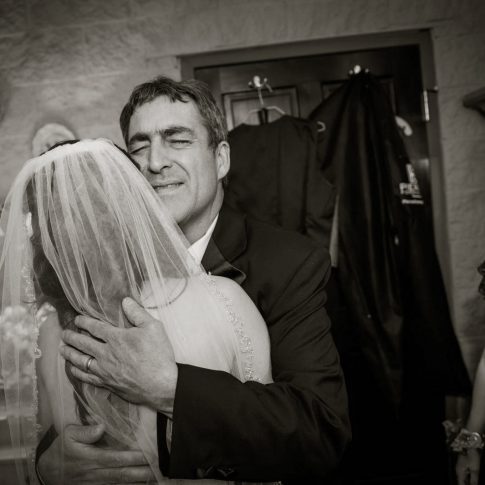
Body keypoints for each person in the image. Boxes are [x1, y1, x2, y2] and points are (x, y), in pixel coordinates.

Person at [37, 76, 351, 483]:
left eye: (177, 140)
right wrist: (50, 463)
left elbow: (320, 432)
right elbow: (71, 398)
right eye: (139, 146)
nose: (155, 162)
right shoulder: (107, 261)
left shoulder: (291, 263)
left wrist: (169, 387)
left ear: (221, 159)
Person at [0, 138, 274, 485]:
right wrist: (48, 468)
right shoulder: (53, 330)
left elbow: (274, 439)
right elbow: (55, 440)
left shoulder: (222, 301)